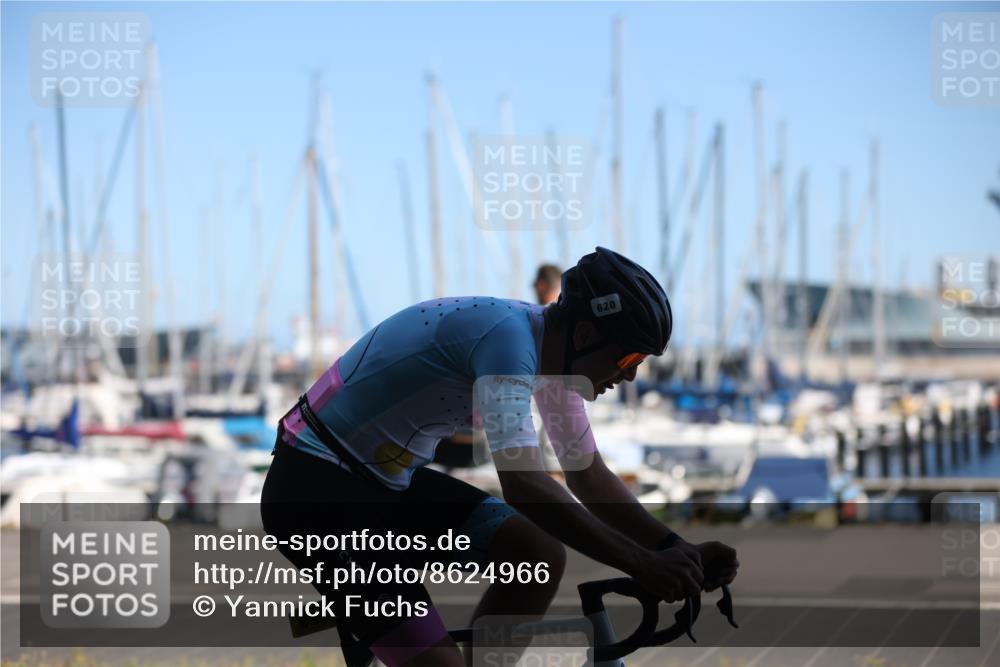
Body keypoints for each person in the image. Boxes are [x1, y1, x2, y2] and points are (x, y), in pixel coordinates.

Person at [260, 247, 739, 667]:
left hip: (383, 486)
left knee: (537, 552)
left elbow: (587, 475)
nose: (630, 377)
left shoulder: (554, 359)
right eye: (628, 359)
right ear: (587, 334)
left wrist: (674, 549)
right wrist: (639, 563)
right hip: (315, 493)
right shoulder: (508, 340)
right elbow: (525, 484)